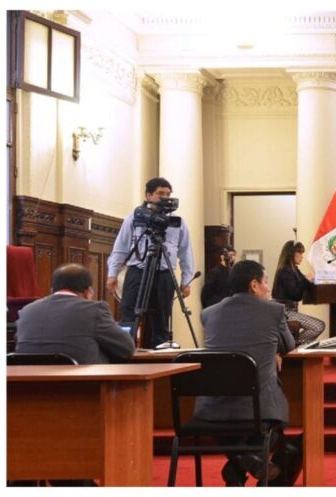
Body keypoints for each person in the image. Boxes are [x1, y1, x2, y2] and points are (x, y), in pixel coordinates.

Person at [195, 260, 296, 486]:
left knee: (235, 429)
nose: (268, 288)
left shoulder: (208, 313)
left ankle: (238, 464)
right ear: (254, 285)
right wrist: (274, 350)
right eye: (266, 282)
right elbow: (289, 345)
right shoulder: (274, 311)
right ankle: (241, 465)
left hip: (213, 409)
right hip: (260, 409)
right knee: (276, 429)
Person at [106, 177, 195, 348]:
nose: (165, 198)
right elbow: (120, 247)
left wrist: (186, 281)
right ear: (148, 195)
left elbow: (186, 252)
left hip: (164, 274)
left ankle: (160, 356)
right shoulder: (134, 218)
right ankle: (124, 351)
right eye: (160, 194)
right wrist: (112, 273)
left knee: (161, 320)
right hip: (137, 272)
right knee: (128, 316)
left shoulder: (177, 222)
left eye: (168, 194)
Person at [16, 264, 136, 364]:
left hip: (28, 383)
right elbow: (126, 348)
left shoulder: (26, 311)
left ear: (52, 289)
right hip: (81, 383)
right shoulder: (93, 309)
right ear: (87, 291)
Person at [272, 240, 325, 345]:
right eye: (299, 253)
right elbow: (295, 294)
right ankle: (293, 346)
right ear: (291, 254)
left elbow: (302, 282)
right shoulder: (285, 270)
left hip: (290, 310)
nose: (302, 256)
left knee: (318, 326)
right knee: (318, 326)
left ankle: (292, 345)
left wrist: (309, 279)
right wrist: (306, 279)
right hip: (286, 312)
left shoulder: (293, 269)